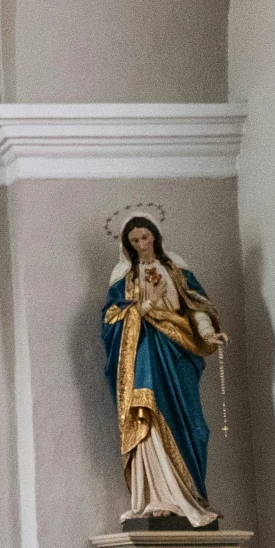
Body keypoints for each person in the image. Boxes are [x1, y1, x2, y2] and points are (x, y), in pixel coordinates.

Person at [101, 216, 224, 526]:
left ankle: (192, 495)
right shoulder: (124, 275)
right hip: (145, 351)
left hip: (178, 348)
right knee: (148, 414)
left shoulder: (175, 268)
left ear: (155, 236)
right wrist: (143, 307)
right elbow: (111, 319)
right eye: (135, 241)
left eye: (146, 238)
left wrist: (208, 333)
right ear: (128, 245)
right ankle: (157, 496)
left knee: (195, 425)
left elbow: (194, 305)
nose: (142, 245)